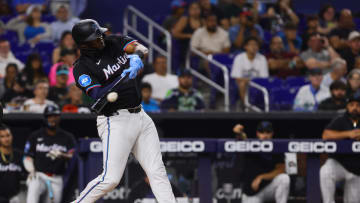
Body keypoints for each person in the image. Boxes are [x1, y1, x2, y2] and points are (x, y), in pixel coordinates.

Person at [71, 19, 177, 202]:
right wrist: (119, 79)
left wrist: (136, 56)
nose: (101, 38)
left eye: (100, 34)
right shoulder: (82, 68)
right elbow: (96, 93)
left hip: (141, 116)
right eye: (96, 37)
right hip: (115, 120)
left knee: (157, 171)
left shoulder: (112, 42)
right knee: (110, 179)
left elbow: (141, 48)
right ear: (84, 44)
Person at [23, 105, 76, 203]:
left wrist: (62, 155)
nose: (52, 119)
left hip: (56, 177)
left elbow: (73, 156)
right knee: (33, 185)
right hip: (39, 175)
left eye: (55, 116)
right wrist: (31, 169)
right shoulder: (35, 135)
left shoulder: (67, 137)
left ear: (59, 117)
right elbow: (27, 156)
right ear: (45, 118)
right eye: (49, 116)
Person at [321, 95, 360, 203]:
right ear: (347, 107)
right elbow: (326, 135)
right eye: (352, 105)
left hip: (357, 170)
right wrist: (349, 134)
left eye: (358, 105)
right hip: (339, 163)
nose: (355, 108)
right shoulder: (340, 120)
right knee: (325, 172)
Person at [241, 121, 290, 203]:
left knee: (284, 178)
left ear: (272, 133)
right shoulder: (251, 144)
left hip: (268, 189)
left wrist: (261, 177)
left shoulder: (276, 147)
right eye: (262, 132)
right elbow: (242, 138)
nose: (265, 135)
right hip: (251, 193)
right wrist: (239, 132)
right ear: (257, 133)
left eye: (268, 132)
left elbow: (281, 170)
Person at [231, 37, 269, 103]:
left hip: (258, 84)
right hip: (244, 84)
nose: (253, 47)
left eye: (256, 45)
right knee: (242, 84)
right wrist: (249, 81)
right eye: (251, 44)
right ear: (245, 47)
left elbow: (264, 78)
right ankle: (246, 106)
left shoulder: (262, 58)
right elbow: (237, 78)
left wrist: (251, 81)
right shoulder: (239, 58)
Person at [0, 124, 25, 203]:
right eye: (2, 136)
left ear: (12, 136)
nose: (6, 139)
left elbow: (27, 174)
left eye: (8, 135)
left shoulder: (20, 155)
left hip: (15, 197)